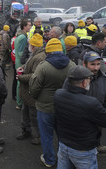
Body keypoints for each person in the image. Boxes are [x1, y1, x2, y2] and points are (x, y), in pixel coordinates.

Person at [30, 38, 75, 167]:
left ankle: (49, 160)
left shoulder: (43, 66)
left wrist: (36, 98)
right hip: (65, 107)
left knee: (46, 135)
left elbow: (34, 87)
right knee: (63, 134)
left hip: (45, 107)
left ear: (48, 52)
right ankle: (64, 159)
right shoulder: (72, 65)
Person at [55, 66, 106, 169]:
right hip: (83, 150)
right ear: (84, 82)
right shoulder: (91, 103)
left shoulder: (58, 94)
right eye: (89, 79)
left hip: (64, 144)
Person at [16, 33, 45, 145]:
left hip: (31, 91)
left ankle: (38, 136)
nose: (28, 46)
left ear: (33, 46)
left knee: (34, 116)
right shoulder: (35, 54)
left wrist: (21, 77)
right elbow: (28, 64)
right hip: (26, 92)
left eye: (30, 45)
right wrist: (22, 67)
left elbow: (35, 75)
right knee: (25, 113)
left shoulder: (39, 57)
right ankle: (26, 131)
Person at [82, 51, 106, 154]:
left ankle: (97, 145)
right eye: (92, 64)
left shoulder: (104, 78)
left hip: (98, 113)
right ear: (84, 64)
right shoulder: (77, 78)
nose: (96, 68)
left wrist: (104, 111)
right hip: (82, 115)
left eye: (98, 64)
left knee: (97, 131)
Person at [15, 19, 32, 109]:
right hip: (20, 61)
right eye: (29, 25)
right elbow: (22, 52)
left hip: (17, 59)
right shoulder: (23, 37)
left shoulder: (19, 35)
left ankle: (19, 101)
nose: (30, 27)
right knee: (20, 82)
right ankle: (19, 102)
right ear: (24, 26)